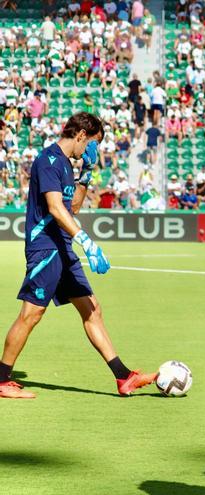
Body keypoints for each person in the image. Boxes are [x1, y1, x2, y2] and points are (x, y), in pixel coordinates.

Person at [0, 113, 157, 399]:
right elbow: (55, 209)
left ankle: (123, 377)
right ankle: (1, 379)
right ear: (81, 135)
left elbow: (71, 208)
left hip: (62, 248)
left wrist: (85, 174)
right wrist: (86, 241)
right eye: (93, 144)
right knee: (31, 314)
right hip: (46, 248)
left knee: (92, 309)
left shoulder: (67, 165)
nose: (91, 150)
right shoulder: (48, 160)